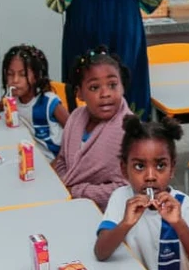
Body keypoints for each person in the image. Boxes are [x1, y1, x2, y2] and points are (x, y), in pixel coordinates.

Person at [95, 115, 189, 270]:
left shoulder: (184, 205)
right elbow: (101, 252)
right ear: (124, 170)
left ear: (172, 168)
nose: (150, 176)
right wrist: (126, 223)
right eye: (139, 166)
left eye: (160, 166)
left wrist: (179, 224)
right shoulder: (121, 199)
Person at [52, 48, 132, 209]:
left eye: (112, 85)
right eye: (94, 88)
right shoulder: (75, 118)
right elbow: (62, 160)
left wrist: (77, 191)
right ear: (79, 93)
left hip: (110, 216)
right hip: (69, 202)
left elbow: (126, 189)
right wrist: (62, 186)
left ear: (122, 86)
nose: (105, 94)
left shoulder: (129, 131)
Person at [0, 44, 69, 161]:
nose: (15, 80)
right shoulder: (14, 98)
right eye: (10, 74)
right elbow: (4, 103)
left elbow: (75, 130)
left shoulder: (49, 102)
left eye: (22, 74)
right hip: (30, 158)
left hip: (54, 161)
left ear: (36, 76)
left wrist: (60, 163)